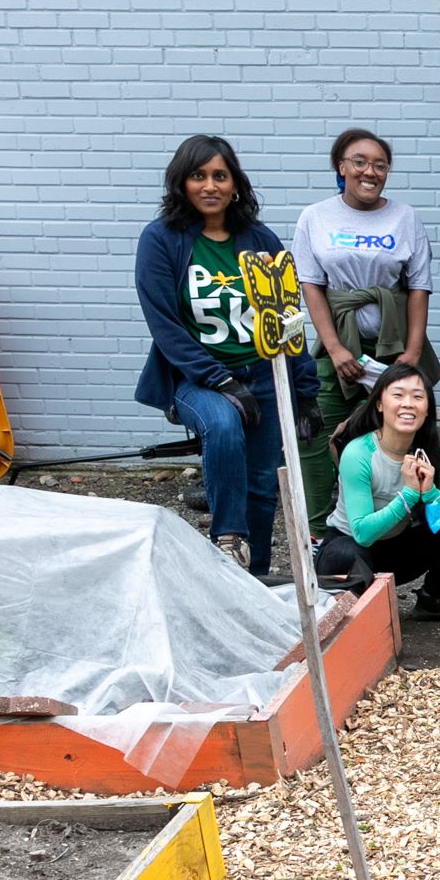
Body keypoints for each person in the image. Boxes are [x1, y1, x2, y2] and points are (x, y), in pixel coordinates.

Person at [132, 134, 317, 576]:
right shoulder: (161, 240)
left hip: (264, 372)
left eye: (220, 175)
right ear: (182, 183)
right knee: (223, 425)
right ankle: (228, 539)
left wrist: (305, 391)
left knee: (262, 481)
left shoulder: (260, 239)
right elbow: (165, 327)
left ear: (235, 185)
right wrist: (222, 381)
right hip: (197, 379)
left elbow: (287, 315)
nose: (209, 185)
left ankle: (254, 577)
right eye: (198, 176)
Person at [292, 128, 437, 533]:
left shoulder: (405, 217)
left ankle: (406, 522)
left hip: (391, 346)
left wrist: (410, 356)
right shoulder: (315, 217)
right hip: (337, 345)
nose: (369, 171)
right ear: (341, 167)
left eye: (379, 164)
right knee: (318, 433)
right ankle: (320, 530)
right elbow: (310, 286)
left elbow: (418, 287)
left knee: (402, 429)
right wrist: (336, 349)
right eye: (359, 162)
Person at [313, 364, 440, 622]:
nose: (408, 404)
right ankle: (354, 616)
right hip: (347, 551)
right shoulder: (359, 453)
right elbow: (362, 533)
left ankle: (432, 600)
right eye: (398, 395)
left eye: (417, 397)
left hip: (395, 550)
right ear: (379, 404)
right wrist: (409, 495)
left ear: (427, 409)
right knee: (350, 552)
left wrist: (431, 493)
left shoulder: (437, 455)